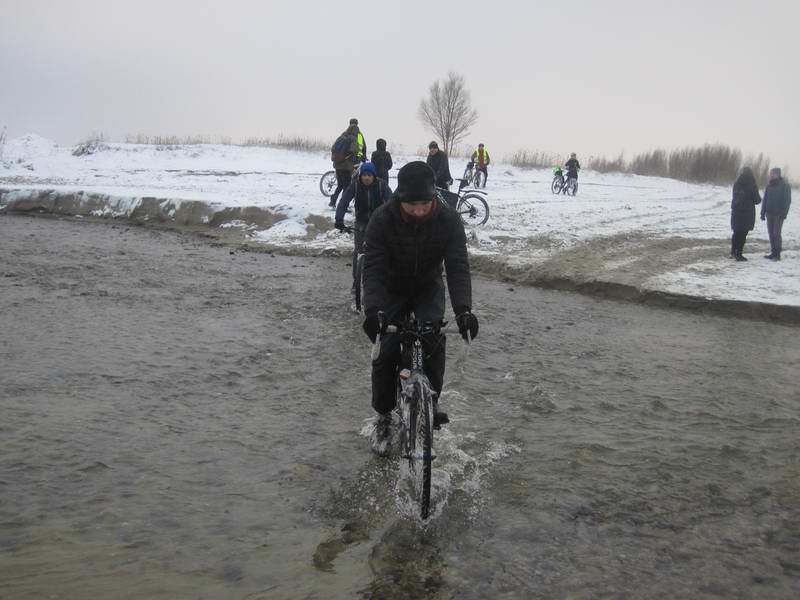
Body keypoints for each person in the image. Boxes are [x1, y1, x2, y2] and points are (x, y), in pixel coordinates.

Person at [361, 161, 479, 446]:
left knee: (433, 339)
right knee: (387, 351)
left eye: (424, 204)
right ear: (400, 198)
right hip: (392, 288)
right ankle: (384, 416)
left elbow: (457, 267)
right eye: (411, 205)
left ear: (432, 199)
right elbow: (373, 268)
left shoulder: (448, 220)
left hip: (428, 286)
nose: (418, 210)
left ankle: (431, 402)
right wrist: (373, 310)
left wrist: (464, 310)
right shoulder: (382, 219)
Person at [334, 162, 392, 295]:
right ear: (360, 176)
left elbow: (392, 202)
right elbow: (344, 202)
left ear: (374, 176)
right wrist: (339, 219)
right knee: (358, 251)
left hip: (378, 222)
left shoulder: (381, 185)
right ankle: (356, 282)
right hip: (361, 223)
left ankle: (382, 279)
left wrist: (392, 220)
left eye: (369, 175)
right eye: (364, 175)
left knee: (382, 251)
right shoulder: (355, 185)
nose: (366, 178)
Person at [729, 166, 761, 261]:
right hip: (747, 213)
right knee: (743, 234)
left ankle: (733, 252)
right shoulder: (752, 185)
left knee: (736, 233)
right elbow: (757, 200)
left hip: (736, 212)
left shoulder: (737, 183)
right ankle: (739, 253)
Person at [761, 167, 792, 261]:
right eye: (771, 174)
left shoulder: (784, 185)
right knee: (770, 233)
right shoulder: (769, 185)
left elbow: (787, 200)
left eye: (774, 174)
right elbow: (765, 199)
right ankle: (773, 252)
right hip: (769, 213)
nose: (772, 175)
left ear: (778, 175)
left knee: (776, 233)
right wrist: (762, 212)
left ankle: (777, 254)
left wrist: (784, 212)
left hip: (779, 214)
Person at [329, 123, 360, 208]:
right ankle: (343, 205)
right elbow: (354, 150)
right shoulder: (353, 139)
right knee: (346, 187)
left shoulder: (341, 137)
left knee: (340, 185)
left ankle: (333, 201)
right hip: (346, 167)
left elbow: (333, 148)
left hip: (337, 165)